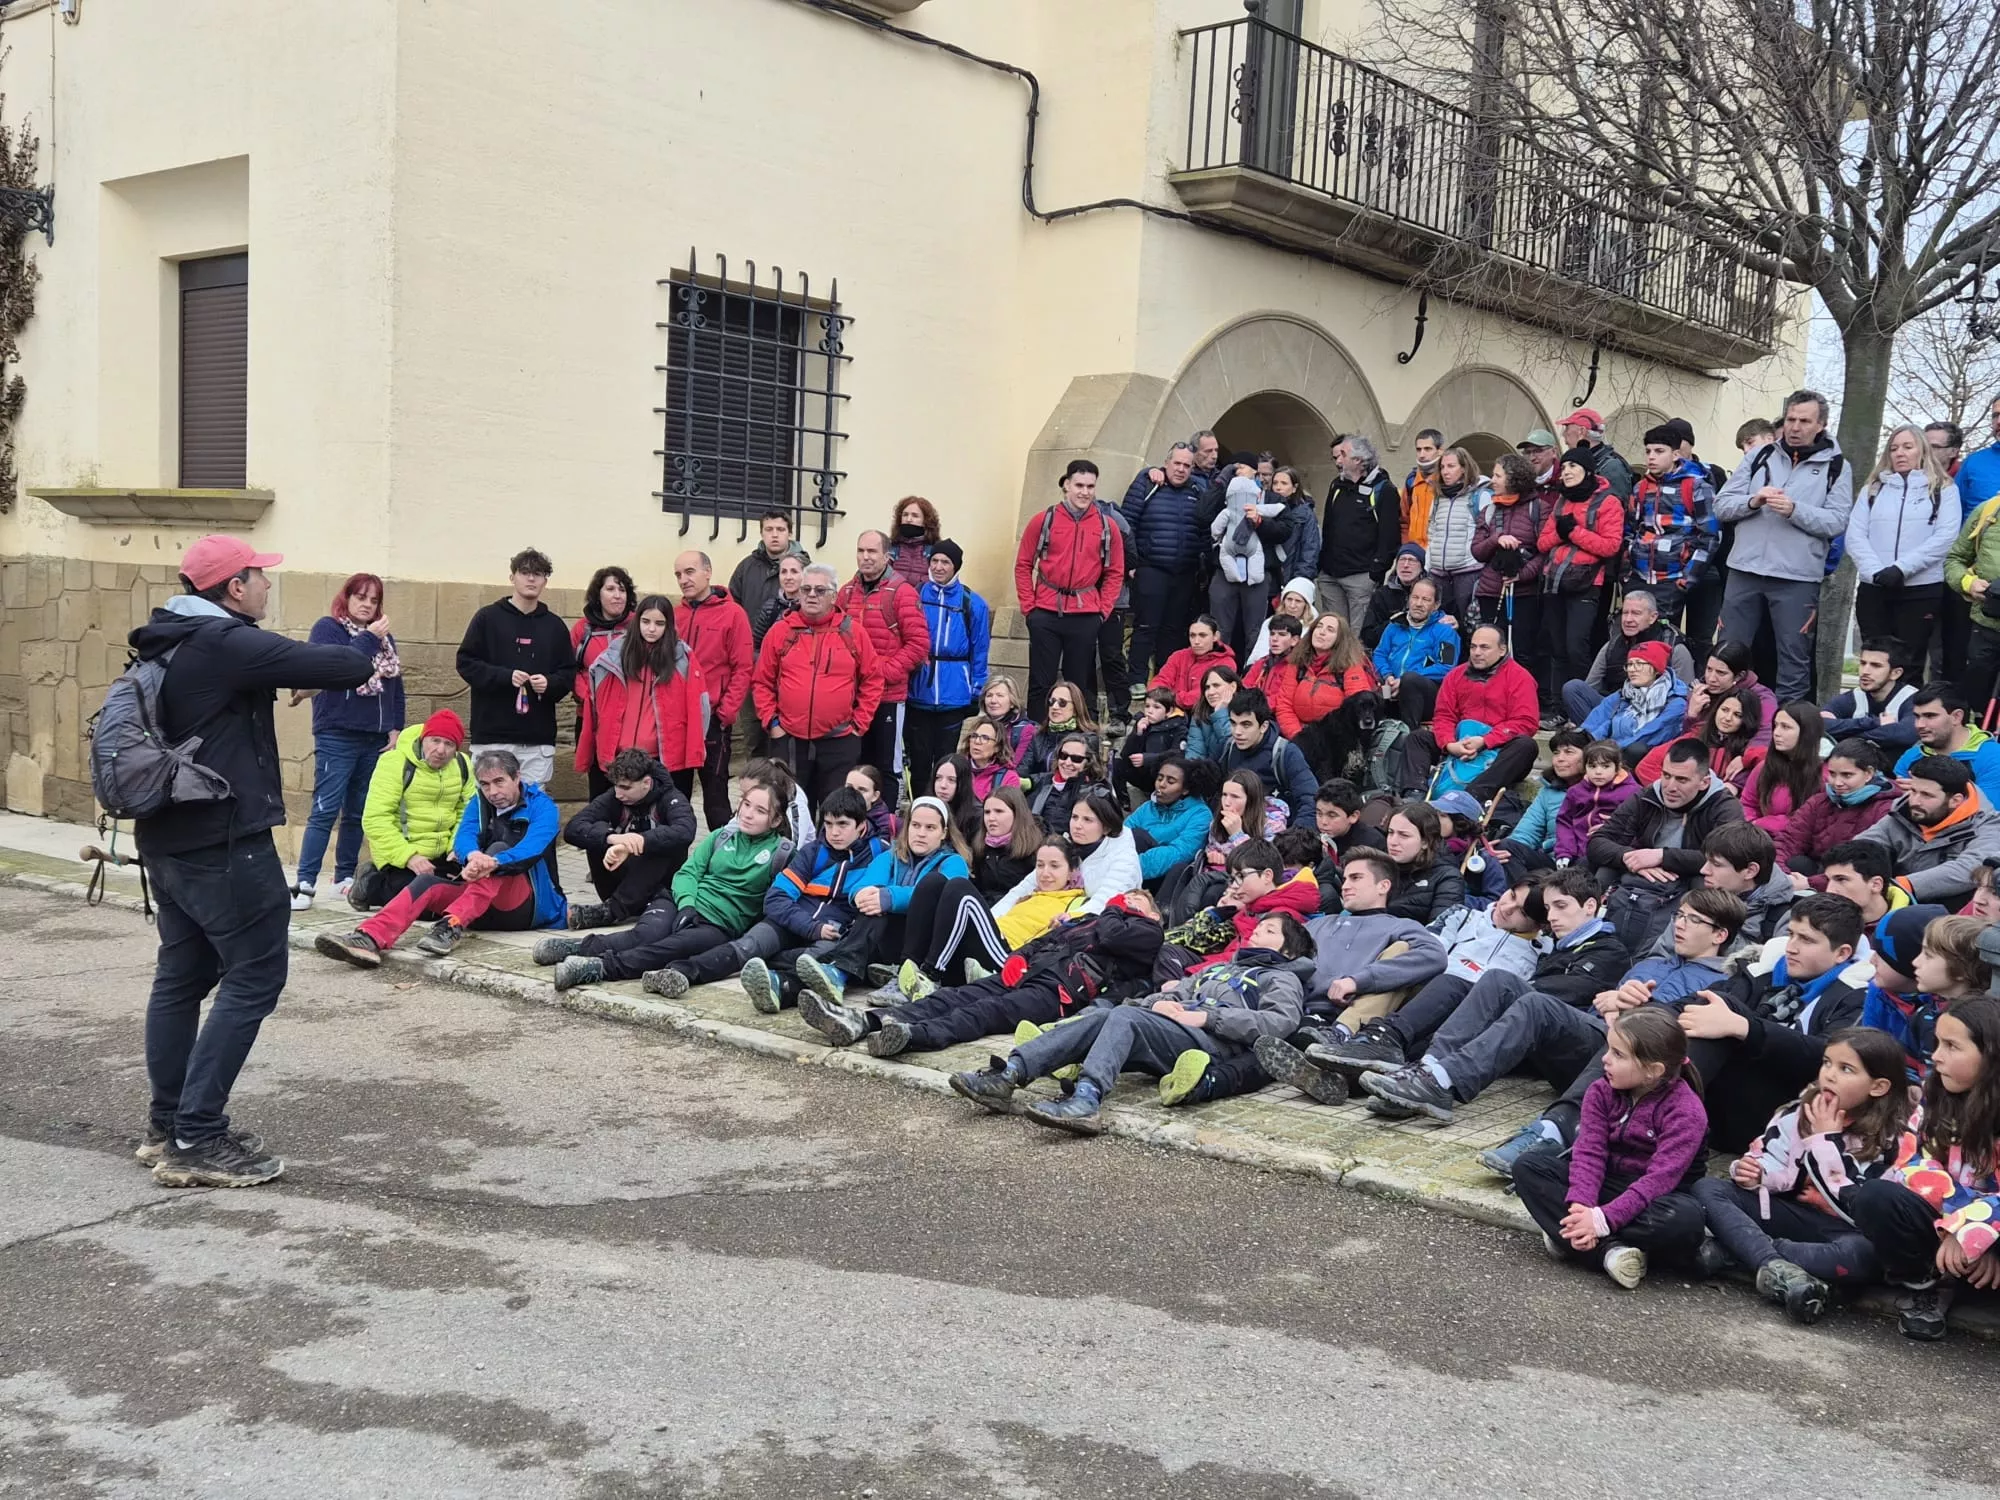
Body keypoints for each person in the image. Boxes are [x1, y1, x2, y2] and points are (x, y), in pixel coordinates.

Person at [130, 535, 378, 1188]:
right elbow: (341, 665)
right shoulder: (223, 641)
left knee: (182, 977)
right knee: (256, 974)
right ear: (234, 587)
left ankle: (167, 1126)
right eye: (260, 575)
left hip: (167, 835)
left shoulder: (168, 638)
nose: (268, 584)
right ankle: (197, 1136)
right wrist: (365, 640)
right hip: (224, 840)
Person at [1355, 877, 1721, 1127]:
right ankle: (1427, 1071)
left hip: (1604, 1047)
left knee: (1530, 1002)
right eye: (1679, 916)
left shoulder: (1707, 979)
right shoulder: (1648, 963)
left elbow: (1570, 996)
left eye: (1561, 906)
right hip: (1583, 1035)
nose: (1552, 917)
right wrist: (1614, 1003)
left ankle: (1437, 1079)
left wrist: (1622, 1006)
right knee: (1496, 980)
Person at [950, 911, 1319, 1134]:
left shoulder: (1282, 978)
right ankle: (1010, 1073)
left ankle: (1087, 1099)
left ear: (1287, 950)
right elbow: (1173, 993)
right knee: (1105, 1015)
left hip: (1212, 1042)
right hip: (1175, 1029)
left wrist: (1207, 1016)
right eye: (1258, 927)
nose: (1256, 932)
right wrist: (1161, 1003)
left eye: (1269, 931)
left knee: (1124, 1016)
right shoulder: (1219, 968)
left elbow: (1279, 1022)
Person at [1258, 873, 1547, 1101]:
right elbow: (1426, 953)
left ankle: (1339, 1079)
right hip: (1425, 994)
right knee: (1410, 959)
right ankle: (1349, 1034)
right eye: (1511, 895)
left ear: (1538, 923)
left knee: (1436, 1028)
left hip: (1465, 1019)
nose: (1506, 908)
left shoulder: (1541, 951)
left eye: (1521, 912)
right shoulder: (1464, 916)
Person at [1692, 1023, 1912, 1320]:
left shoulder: (1894, 1138)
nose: (1829, 1075)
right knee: (1708, 1188)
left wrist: (1825, 1141)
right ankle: (1773, 1263)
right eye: (1827, 1063)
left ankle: (1743, 1252)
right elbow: (1770, 1157)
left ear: (1878, 1087)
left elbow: (1862, 1207)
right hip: (1790, 1214)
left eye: (1846, 1069)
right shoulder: (1798, 1112)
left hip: (1843, 1230)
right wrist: (1757, 1174)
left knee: (1864, 1257)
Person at [316, 748, 569, 967]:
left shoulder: (543, 806)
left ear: (517, 777)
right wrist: (471, 856)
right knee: (427, 883)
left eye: (499, 782)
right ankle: (369, 938)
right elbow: (464, 836)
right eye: (485, 784)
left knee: (498, 849)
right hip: (477, 906)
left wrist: (491, 862)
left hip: (526, 907)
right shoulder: (479, 802)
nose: (492, 791)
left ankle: (450, 926)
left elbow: (532, 849)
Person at [1513, 1007, 1708, 1290]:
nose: (1605, 1059)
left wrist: (1603, 1220)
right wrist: (1582, 1206)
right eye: (1609, 1049)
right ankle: (1609, 1252)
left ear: (1653, 1071)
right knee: (1528, 1166)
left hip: (1656, 1197)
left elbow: (1659, 1180)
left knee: (1685, 1220)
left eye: (1618, 1054)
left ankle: (1567, 1236)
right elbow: (1588, 1153)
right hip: (1607, 1183)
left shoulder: (1686, 1111)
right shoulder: (1600, 1091)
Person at [537, 778, 792, 993]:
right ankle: (579, 948)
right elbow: (687, 873)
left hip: (719, 925)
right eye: (746, 804)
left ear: (776, 820)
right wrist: (687, 905)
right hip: (681, 902)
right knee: (645, 935)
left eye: (760, 811)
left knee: (668, 948)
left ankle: (600, 968)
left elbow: (776, 905)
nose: (748, 814)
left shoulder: (782, 854)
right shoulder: (721, 836)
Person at [1847, 999, 2000, 1341]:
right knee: (1876, 1196)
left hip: (1990, 1236)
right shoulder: (1937, 1095)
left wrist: (1978, 1234)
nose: (1937, 1056)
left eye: (1952, 1046)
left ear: (1991, 1055)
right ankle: (1929, 1283)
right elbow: (1913, 1164)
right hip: (1946, 1234)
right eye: (1937, 1044)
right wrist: (1960, 1230)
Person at [877, 894, 1169, 1069]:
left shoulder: (1149, 932)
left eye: (1136, 900)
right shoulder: (1091, 918)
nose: (1127, 900)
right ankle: (875, 1020)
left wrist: (1115, 908)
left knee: (986, 1012)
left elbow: (1112, 936)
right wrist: (1018, 957)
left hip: (1059, 991)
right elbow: (1046, 939)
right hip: (1031, 971)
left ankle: (915, 1035)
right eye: (1126, 897)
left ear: (1154, 914)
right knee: (958, 995)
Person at [1716, 391, 1856, 700]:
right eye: (1791, 419)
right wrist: (1753, 501)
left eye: (1804, 421)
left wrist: (1795, 510)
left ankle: (1788, 726)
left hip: (1797, 577)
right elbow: (1722, 505)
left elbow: (1837, 521)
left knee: (1794, 661)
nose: (1795, 427)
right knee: (1727, 656)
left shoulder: (1837, 466)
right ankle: (1722, 720)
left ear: (1821, 424)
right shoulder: (1759, 456)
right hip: (1744, 570)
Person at [789, 798, 975, 1009]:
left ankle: (834, 973)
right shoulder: (891, 856)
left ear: (944, 833)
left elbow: (940, 896)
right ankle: (789, 983)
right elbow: (867, 883)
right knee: (872, 908)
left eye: (930, 828)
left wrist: (889, 898)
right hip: (885, 939)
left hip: (924, 946)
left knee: (876, 909)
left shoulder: (953, 862)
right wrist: (861, 895)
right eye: (915, 825)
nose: (921, 833)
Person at [289, 573, 405, 910]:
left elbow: (396, 686)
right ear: (347, 598)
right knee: (325, 809)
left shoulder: (384, 638)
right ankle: (305, 883)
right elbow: (337, 665)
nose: (367, 605)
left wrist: (395, 727)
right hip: (337, 732)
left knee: (357, 812)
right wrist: (370, 637)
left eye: (374, 600)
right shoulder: (328, 629)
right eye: (360, 597)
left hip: (374, 736)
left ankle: (343, 878)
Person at [712, 786, 882, 1014]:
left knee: (814, 962)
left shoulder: (880, 854)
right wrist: (811, 927)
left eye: (842, 824)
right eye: (829, 824)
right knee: (749, 945)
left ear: (861, 825)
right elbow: (775, 899)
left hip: (834, 934)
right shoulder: (814, 851)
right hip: (796, 922)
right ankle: (683, 971)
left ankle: (777, 984)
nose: (834, 832)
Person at [1588, 739, 1746, 953]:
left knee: (1709, 886)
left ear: (1704, 782)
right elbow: (1598, 841)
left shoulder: (1724, 807)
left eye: (1682, 780)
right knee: (1597, 867)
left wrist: (1662, 856)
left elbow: (1726, 857)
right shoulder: (1648, 796)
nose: (1670, 787)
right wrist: (1631, 857)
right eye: (1666, 775)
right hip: (1645, 875)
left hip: (1691, 877)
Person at [754, 562, 883, 809]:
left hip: (840, 740)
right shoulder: (780, 632)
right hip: (790, 740)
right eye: (806, 589)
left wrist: (858, 725)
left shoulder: (853, 633)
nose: (811, 595)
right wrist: (772, 722)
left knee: (835, 811)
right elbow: (762, 681)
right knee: (791, 809)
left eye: (820, 590)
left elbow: (873, 680)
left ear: (833, 596)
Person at [576, 593, 712, 808]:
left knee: (665, 820)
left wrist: (694, 749)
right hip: (617, 756)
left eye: (659, 623)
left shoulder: (683, 660)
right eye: (646, 621)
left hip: (664, 759)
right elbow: (593, 708)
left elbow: (700, 708)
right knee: (609, 818)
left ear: (669, 625)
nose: (651, 629)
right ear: (637, 620)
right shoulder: (612, 657)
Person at [455, 548, 575, 787]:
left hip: (536, 739)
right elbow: (466, 663)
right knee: (491, 801)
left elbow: (568, 673)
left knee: (532, 803)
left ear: (545, 581)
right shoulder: (487, 618)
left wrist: (549, 684)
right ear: (512, 577)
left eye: (538, 574)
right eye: (525, 572)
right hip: (493, 736)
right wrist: (504, 677)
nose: (531, 579)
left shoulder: (555, 626)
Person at [1017, 460, 1126, 722]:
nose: (1084, 492)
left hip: (1085, 613)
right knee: (1040, 682)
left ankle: (1077, 737)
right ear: (1066, 485)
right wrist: (1029, 608)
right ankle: (1035, 734)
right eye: (1079, 485)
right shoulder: (1043, 520)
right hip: (1045, 611)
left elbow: (1115, 572)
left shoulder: (1107, 526)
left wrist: (1102, 611)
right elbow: (1023, 564)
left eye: (1090, 486)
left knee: (1079, 685)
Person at [1847, 424, 1959, 678]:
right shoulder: (1873, 489)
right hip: (1874, 588)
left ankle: (1906, 705)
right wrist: (1875, 571)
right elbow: (1855, 535)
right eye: (1894, 448)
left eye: (1908, 447)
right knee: (1874, 660)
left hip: (1921, 590)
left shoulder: (1944, 489)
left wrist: (1901, 569)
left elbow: (1945, 537)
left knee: (1909, 664)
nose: (1900, 453)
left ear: (1922, 450)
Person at [1401, 624, 1542, 804]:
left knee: (1526, 746)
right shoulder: (1455, 675)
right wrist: (1450, 744)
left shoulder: (1521, 677)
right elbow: (1444, 716)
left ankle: (1472, 796)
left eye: (1484, 647)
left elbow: (1526, 722)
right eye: (1473, 647)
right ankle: (1414, 795)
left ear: (1502, 650)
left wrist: (1485, 741)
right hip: (1460, 742)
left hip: (1498, 746)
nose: (1476, 652)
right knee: (1417, 738)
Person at [561, 746, 698, 929]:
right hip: (617, 882)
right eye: (616, 786)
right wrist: (612, 838)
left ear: (646, 783)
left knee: (665, 843)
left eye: (626, 788)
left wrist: (641, 841)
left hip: (662, 885)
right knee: (596, 833)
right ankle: (614, 904)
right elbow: (573, 828)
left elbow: (685, 830)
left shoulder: (671, 798)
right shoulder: (614, 796)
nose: (619, 793)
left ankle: (611, 912)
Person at [352, 709, 475, 912]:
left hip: (444, 853)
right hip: (403, 854)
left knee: (462, 896)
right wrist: (409, 856)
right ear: (423, 739)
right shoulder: (395, 763)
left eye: (449, 744)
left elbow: (467, 812)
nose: (441, 750)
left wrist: (457, 846)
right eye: (435, 741)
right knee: (419, 905)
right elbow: (375, 819)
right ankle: (369, 883)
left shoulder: (462, 764)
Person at [837, 530, 931, 779]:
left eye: (872, 551)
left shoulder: (903, 593)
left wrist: (882, 673)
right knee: (853, 765)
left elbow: (919, 644)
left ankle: (888, 807)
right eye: (861, 551)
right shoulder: (846, 593)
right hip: (851, 696)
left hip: (887, 696)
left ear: (887, 556)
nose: (865, 557)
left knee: (887, 767)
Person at [1539, 451, 1627, 717]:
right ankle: (1558, 710)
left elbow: (1610, 545)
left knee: (1576, 646)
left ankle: (1580, 707)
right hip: (1555, 582)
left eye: (1572, 466)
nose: (1565, 471)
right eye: (1564, 466)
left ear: (1588, 471)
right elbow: (1542, 543)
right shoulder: (1562, 500)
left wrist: (1574, 532)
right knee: (1557, 648)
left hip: (1586, 584)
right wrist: (1562, 532)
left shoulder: (1608, 501)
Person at [672, 551, 753, 829]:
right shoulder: (674, 616)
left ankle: (723, 851)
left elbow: (743, 668)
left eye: (690, 572)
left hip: (713, 720)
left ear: (707, 572)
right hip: (677, 720)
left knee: (715, 797)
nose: (683, 579)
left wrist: (725, 713)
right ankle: (675, 853)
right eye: (678, 574)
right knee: (675, 796)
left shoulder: (733, 614)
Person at [1860, 909, 1989, 1085]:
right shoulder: (1924, 1014)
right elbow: (1907, 1065)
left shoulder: (1985, 1023)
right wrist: (1911, 1086)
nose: (1915, 962)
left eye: (1927, 955)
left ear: (1960, 970)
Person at [904, 539, 991, 792]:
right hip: (918, 690)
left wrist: (977, 687)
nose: (939, 567)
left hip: (955, 693)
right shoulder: (914, 595)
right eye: (934, 561)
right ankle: (919, 804)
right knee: (919, 761)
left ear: (956, 567)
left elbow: (980, 648)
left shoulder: (973, 603)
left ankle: (946, 807)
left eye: (945, 562)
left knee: (947, 761)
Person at [1857, 754, 2000, 906]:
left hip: (1950, 913)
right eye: (1913, 791)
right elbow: (1865, 845)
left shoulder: (1989, 825)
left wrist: (1904, 886)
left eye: (1926, 795)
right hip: (1894, 901)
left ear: (1955, 800)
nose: (1914, 801)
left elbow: (1970, 868)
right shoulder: (1902, 812)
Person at [1122, 443, 1208, 682]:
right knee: (1146, 627)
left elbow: (1204, 529)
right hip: (1151, 568)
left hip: (1185, 572)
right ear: (1166, 463)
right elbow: (1127, 524)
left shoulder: (1198, 491)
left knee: (1173, 630)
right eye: (1177, 463)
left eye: (1186, 465)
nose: (1181, 469)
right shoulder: (1148, 484)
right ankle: (1137, 681)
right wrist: (1131, 563)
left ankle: (1165, 682)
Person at [1625, 425, 1720, 630]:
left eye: (1659, 451)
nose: (1652, 457)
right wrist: (1626, 572)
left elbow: (1710, 536)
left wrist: (1687, 578)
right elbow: (1630, 529)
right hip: (1638, 577)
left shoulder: (1696, 486)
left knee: (1662, 637)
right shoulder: (1641, 487)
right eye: (1648, 451)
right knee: (1631, 634)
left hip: (1671, 579)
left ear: (1675, 454)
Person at [1560, 589, 1695, 728]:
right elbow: (1591, 686)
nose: (1628, 619)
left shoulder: (1674, 648)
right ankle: (1596, 738)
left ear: (1653, 617)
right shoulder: (1612, 646)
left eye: (1636, 613)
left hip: (1654, 716)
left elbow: (1686, 699)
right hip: (1614, 709)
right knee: (1573, 688)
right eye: (1625, 613)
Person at [1270, 610, 1379, 775]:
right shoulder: (1296, 662)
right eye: (1319, 627)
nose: (1321, 632)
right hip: (1300, 734)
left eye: (1330, 630)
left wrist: (1319, 740)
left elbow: (1358, 709)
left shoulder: (1351, 664)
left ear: (1340, 638)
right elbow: (1284, 705)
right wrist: (1298, 736)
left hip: (1335, 739)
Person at [1470, 451, 1547, 680]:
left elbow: (1545, 552)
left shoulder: (1539, 508)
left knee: (1522, 651)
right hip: (1490, 592)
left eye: (1498, 475)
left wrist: (1522, 575)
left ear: (1514, 478)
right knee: (1489, 651)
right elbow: (1477, 551)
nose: (1492, 480)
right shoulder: (1489, 510)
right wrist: (1497, 539)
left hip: (1524, 594)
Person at [1316, 435, 1400, 626]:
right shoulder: (1337, 485)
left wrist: (1375, 572)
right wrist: (1322, 566)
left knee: (1357, 635)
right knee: (1332, 631)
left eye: (1343, 455)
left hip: (1361, 577)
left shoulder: (1384, 489)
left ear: (1358, 460)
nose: (1338, 461)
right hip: (1330, 574)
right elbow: (1328, 526)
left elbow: (1389, 536)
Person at [1208, 473, 1290, 660]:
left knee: (1255, 631)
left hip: (1258, 573)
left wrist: (1261, 523)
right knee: (1219, 628)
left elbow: (1285, 531)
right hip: (1224, 571)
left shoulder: (1273, 500)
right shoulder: (1224, 497)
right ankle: (1216, 669)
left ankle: (1252, 672)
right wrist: (1220, 483)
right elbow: (1204, 516)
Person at [570, 565, 636, 794]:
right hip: (592, 718)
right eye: (610, 589)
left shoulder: (638, 626)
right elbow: (571, 668)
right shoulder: (583, 629)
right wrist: (588, 696)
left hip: (629, 719)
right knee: (599, 785)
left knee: (631, 783)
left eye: (622, 590)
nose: (617, 595)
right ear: (598, 594)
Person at [1490, 728, 1590, 874]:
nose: (1560, 759)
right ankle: (1520, 889)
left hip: (1587, 859)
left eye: (1569, 752)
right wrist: (1505, 848)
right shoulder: (1548, 792)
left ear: (1588, 757)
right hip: (1555, 861)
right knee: (1505, 849)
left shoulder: (1604, 790)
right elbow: (1527, 832)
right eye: (1556, 753)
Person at [1217, 688, 1319, 827]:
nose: (1237, 732)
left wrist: (1294, 837)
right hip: (1235, 829)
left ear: (1263, 726)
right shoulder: (1229, 748)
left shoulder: (1285, 753)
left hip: (1278, 832)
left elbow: (1310, 800)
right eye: (1233, 723)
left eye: (1246, 725)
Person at [1369, 574, 1458, 731]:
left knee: (1410, 680)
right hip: (1391, 685)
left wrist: (1403, 680)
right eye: (1415, 597)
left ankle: (1410, 733)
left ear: (1436, 605)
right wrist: (1388, 676)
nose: (1418, 604)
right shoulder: (1395, 625)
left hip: (1427, 695)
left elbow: (1446, 667)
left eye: (1426, 599)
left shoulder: (1445, 631)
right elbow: (1380, 654)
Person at [1890, 683, 2000, 803]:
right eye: (1917, 716)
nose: (1919, 725)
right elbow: (1890, 804)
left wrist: (1925, 793)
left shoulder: (1993, 757)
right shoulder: (1912, 755)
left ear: (1956, 717)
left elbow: (1989, 811)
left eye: (1930, 716)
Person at [1578, 640, 1689, 757]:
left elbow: (1649, 736)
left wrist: (1608, 750)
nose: (1632, 669)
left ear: (1656, 669)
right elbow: (1597, 721)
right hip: (1611, 753)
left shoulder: (1676, 702)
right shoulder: (1623, 694)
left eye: (1639, 664)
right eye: (1629, 664)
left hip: (1643, 756)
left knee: (1636, 749)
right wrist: (1583, 742)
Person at [729, 510, 811, 650]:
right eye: (769, 529)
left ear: (790, 533)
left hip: (793, 649)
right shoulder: (746, 567)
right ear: (762, 534)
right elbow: (732, 607)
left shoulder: (807, 568)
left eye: (780, 529)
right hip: (751, 647)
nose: (774, 535)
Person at [1744, 701, 1823, 844]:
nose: (1776, 733)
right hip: (1759, 839)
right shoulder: (1764, 768)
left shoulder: (1825, 774)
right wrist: (1753, 826)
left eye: (1785, 727)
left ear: (1806, 732)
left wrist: (1769, 823)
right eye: (1775, 725)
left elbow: (1815, 820)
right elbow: (1747, 804)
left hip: (1802, 844)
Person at [1820, 638, 1918, 754]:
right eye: (1863, 663)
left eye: (1876, 666)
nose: (1865, 671)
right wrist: (1875, 723)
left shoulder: (1912, 698)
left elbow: (1905, 734)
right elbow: (1820, 725)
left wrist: (1844, 736)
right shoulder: (1854, 697)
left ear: (1895, 673)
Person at [1128, 753, 1213, 883]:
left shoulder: (1200, 814)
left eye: (1171, 781)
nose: (1161, 785)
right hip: (1130, 868)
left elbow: (1179, 853)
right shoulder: (1147, 807)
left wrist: (1129, 866)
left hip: (1164, 877)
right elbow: (1121, 834)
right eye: (1159, 778)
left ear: (1185, 789)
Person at [1555, 739, 1639, 868]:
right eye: (1592, 766)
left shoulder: (1632, 793)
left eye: (1605, 766)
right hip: (1576, 854)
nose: (1598, 772)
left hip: (1612, 855)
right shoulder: (1575, 792)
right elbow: (1564, 822)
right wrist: (1564, 852)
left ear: (1617, 767)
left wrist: (1613, 827)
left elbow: (1638, 827)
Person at [1381, 799, 1465, 925]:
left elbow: (1441, 929)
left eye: (1404, 835)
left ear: (1426, 841)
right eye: (1390, 832)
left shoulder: (1447, 878)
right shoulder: (1377, 867)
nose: (1393, 841)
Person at [1018, 680, 1100, 786]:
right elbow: (1023, 769)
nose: (1055, 707)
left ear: (1075, 708)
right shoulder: (1038, 736)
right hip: (1039, 792)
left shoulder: (1088, 739)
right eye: (1051, 701)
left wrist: (1031, 782)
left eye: (1062, 703)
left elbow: (1071, 775)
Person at [1114, 686, 1188, 804]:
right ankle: (1123, 803)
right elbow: (1126, 754)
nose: (1150, 711)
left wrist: (1148, 759)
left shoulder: (1178, 728)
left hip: (1163, 775)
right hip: (1143, 775)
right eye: (1147, 706)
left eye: (1156, 707)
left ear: (1169, 711)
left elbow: (1178, 755)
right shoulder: (1142, 723)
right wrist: (1138, 734)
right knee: (1117, 762)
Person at [1150, 615, 1238, 710]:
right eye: (1192, 635)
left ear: (1215, 636)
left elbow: (1200, 697)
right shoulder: (1178, 656)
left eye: (1202, 635)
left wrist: (1168, 698)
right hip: (1170, 710)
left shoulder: (1226, 663)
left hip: (1204, 714)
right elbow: (1159, 683)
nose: (1196, 641)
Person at [1027, 732, 1101, 834]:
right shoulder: (1044, 782)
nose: (1067, 762)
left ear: (1090, 762)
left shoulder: (1095, 792)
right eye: (1063, 756)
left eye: (1076, 759)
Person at [1558, 406, 1637, 501]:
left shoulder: (1611, 468)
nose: (1563, 434)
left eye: (1567, 428)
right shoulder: (1595, 464)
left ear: (1581, 431)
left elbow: (1618, 506)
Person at [1361, 546, 1424, 650]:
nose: (1406, 565)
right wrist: (1394, 622)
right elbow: (1368, 637)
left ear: (1422, 566)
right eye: (1402, 559)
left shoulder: (1432, 593)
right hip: (1389, 651)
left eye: (1412, 560)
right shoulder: (1381, 594)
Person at [1250, 577, 1321, 664]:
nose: (1292, 605)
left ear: (1306, 605)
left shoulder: (1313, 627)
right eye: (1289, 599)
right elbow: (1259, 652)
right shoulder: (1270, 622)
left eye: (1298, 601)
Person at [1182, 665, 1241, 762]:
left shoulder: (1246, 710)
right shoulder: (1200, 714)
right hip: (1208, 769)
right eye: (1207, 687)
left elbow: (1232, 747)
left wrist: (1220, 713)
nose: (1210, 692)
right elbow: (1194, 753)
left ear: (1233, 687)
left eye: (1216, 685)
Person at [979, 676, 1038, 768]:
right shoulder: (979, 727)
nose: (993, 701)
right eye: (989, 695)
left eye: (1000, 696)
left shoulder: (1025, 730)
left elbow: (1017, 767)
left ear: (1012, 702)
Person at [960, 716, 1023, 802]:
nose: (977, 741)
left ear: (997, 747)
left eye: (985, 738)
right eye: (974, 736)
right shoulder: (957, 769)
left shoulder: (1009, 778)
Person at [1399, 427, 1444, 548]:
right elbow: (1404, 521)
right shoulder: (1411, 481)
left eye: (1428, 449)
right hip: (1414, 552)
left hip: (1436, 553)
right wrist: (1407, 548)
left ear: (1440, 451)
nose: (1422, 455)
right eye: (1418, 450)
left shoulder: (1446, 482)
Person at [754, 553, 807, 650]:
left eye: (794, 572)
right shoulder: (770, 607)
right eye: (783, 572)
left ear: (805, 575)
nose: (788, 577)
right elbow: (756, 646)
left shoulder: (811, 608)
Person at [886, 495, 940, 588]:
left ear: (926, 521)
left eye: (915, 516)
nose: (908, 519)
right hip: (895, 594)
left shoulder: (935, 549)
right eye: (905, 515)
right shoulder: (891, 547)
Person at [930, 754, 983, 848]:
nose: (943, 785)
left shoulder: (976, 815)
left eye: (951, 780)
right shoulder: (926, 806)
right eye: (938, 778)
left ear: (963, 783)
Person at [845, 763, 898, 846]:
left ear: (875, 796)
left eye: (862, 789)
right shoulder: (831, 816)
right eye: (849, 787)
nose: (854, 793)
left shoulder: (890, 824)